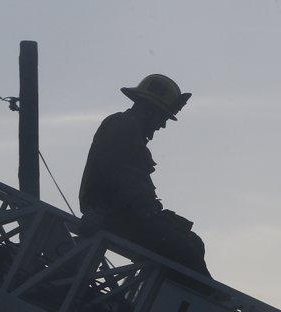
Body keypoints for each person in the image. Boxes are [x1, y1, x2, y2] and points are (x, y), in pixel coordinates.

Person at [79, 74, 210, 277]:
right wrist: (148, 211)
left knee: (192, 243)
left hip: (122, 214)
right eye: (163, 117)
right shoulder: (123, 127)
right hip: (111, 215)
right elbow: (123, 180)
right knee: (183, 249)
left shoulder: (127, 129)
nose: (162, 125)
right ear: (149, 110)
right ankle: (212, 299)